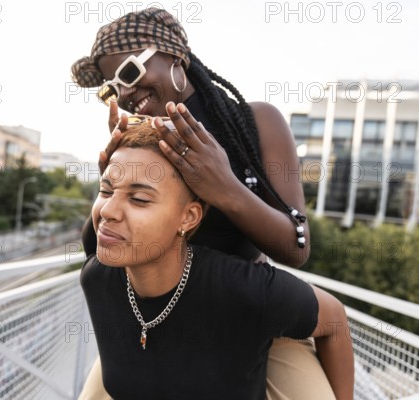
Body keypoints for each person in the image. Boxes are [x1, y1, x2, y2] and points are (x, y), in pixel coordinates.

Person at [71, 8, 334, 399]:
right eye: (111, 88)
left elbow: (296, 247)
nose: (123, 93)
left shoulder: (255, 123)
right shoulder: (144, 139)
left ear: (175, 57)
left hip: (246, 315)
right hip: (155, 318)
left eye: (127, 74)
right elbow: (98, 250)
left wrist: (224, 187)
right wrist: (111, 180)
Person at [80, 120, 354, 399]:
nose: (109, 210)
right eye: (107, 190)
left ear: (189, 217)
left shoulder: (242, 291)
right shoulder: (97, 279)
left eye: (138, 199)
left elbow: (334, 319)